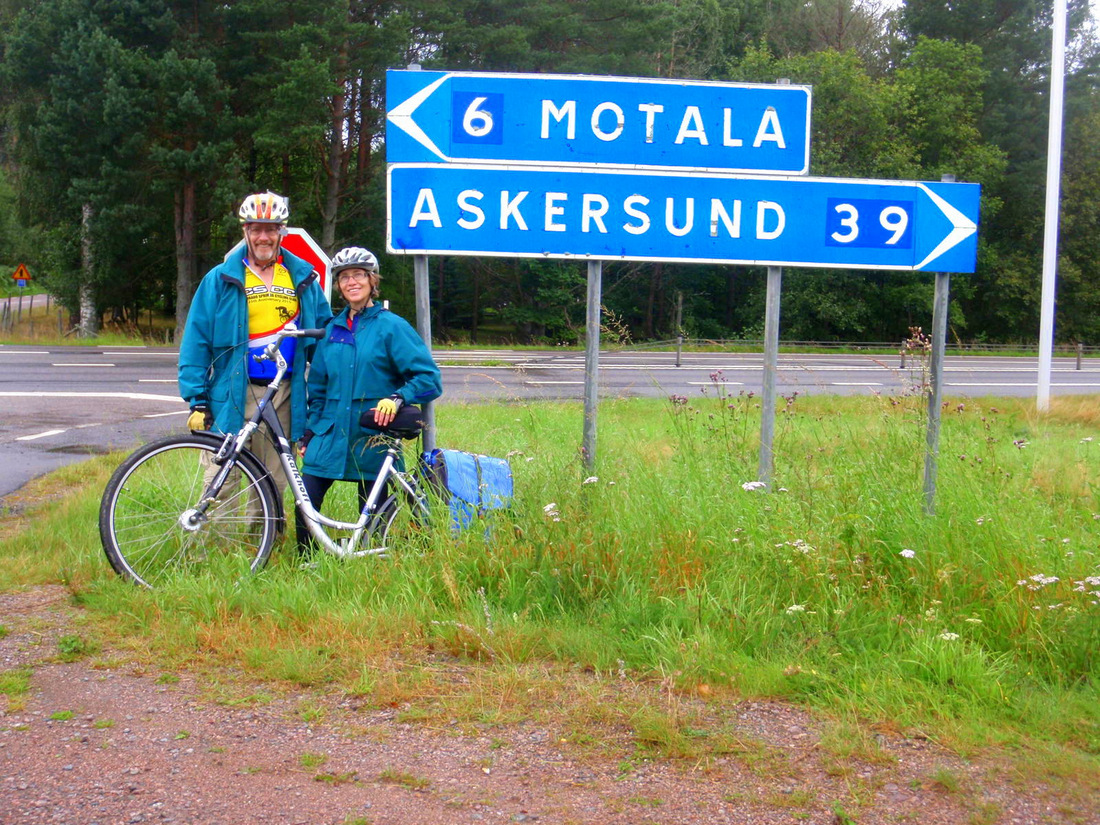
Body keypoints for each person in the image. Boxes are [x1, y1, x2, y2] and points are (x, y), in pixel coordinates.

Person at [178, 191, 333, 507]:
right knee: (222, 479)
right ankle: (214, 551)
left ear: (281, 232)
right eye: (256, 228)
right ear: (245, 231)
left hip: (284, 393)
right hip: (234, 391)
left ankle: (263, 549)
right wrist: (197, 400)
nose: (263, 236)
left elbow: (324, 341)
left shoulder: (301, 278)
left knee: (273, 481)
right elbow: (196, 342)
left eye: (271, 228)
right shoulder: (220, 279)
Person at [296, 246, 442, 556]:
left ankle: (369, 564)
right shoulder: (332, 330)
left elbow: (429, 378)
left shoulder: (392, 327)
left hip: (374, 433)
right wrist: (310, 431)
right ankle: (304, 564)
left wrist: (398, 397)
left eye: (358, 275)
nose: (351, 282)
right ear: (338, 285)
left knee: (373, 515)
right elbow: (319, 387)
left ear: (372, 280)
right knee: (305, 502)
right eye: (344, 277)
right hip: (330, 433)